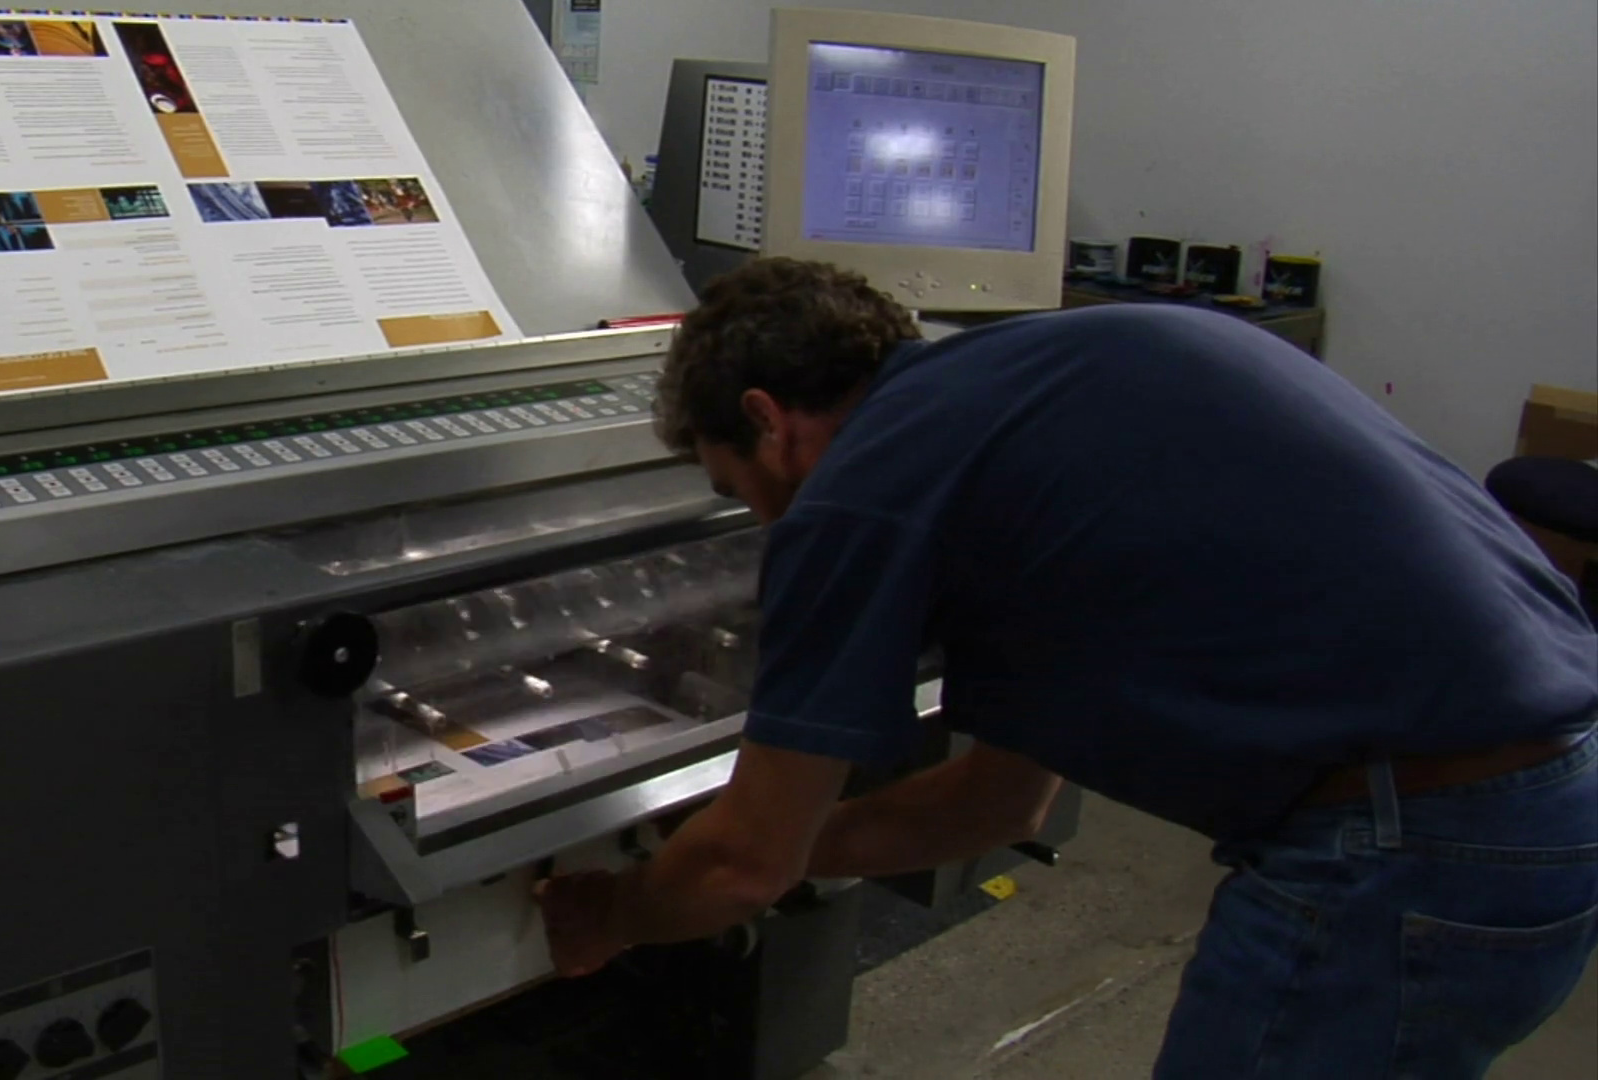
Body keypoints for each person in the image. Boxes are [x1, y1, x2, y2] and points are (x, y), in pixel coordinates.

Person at [536, 257, 1598, 1078]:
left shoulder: (865, 481)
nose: (768, 522)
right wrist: (793, 841)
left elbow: (741, 871)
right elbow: (1002, 805)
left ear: (768, 419)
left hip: (1404, 853)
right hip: (1548, 812)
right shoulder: (1041, 385)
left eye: (744, 488)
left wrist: (625, 909)